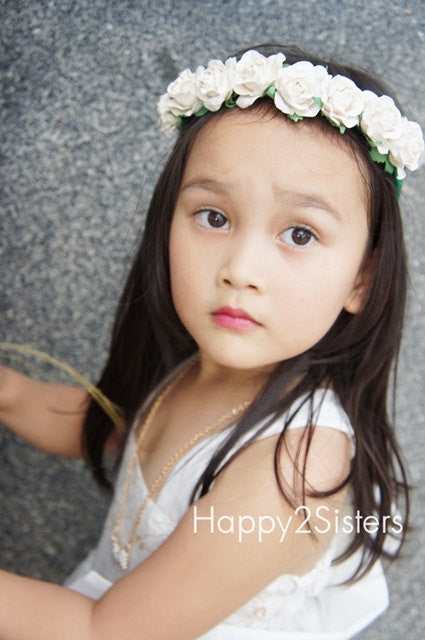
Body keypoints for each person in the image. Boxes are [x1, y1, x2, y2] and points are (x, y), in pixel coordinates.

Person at [0, 43, 423, 640]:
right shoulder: (200, 367)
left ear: (363, 276)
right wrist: (10, 393)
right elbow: (123, 429)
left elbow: (103, 630)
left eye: (299, 233)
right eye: (214, 217)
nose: (241, 268)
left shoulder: (294, 470)